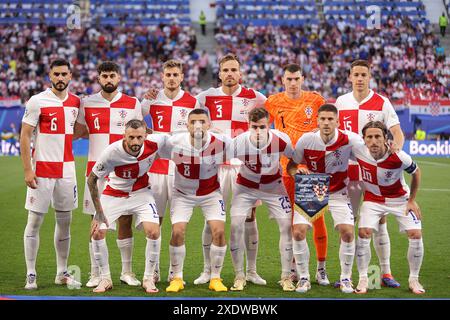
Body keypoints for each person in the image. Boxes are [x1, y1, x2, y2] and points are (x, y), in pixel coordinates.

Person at [194, 53, 267, 286]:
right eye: (225, 70)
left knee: (248, 217)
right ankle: (207, 270)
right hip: (214, 167)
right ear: (219, 73)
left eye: (234, 70)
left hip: (244, 168)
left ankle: (250, 271)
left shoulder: (256, 98)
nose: (229, 74)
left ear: (240, 73)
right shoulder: (205, 98)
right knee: (210, 218)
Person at [335, 59, 404, 288]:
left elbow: (396, 131)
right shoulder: (341, 101)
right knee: (348, 222)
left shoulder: (381, 102)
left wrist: (396, 150)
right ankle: (347, 276)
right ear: (350, 76)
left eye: (364, 74)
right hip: (348, 172)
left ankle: (385, 272)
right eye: (356, 74)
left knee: (379, 220)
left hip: (374, 172)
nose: (360, 78)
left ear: (369, 76)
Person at [74, 61, 143, 288]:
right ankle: (96, 272)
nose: (108, 80)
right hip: (95, 171)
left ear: (119, 77)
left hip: (123, 172)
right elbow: (80, 131)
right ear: (98, 78)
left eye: (112, 75)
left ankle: (127, 271)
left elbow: (139, 135)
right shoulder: (87, 103)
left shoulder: (133, 103)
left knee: (125, 220)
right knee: (95, 222)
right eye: (104, 76)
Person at [287, 104, 364, 293]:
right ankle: (304, 277)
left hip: (338, 192)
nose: (326, 122)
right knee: (298, 231)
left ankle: (346, 278)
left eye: (330, 119)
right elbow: (291, 167)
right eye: (323, 119)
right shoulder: (307, 140)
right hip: (311, 189)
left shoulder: (350, 140)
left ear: (338, 122)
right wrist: (298, 172)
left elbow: (368, 159)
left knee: (347, 231)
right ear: (317, 121)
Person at [265, 63, 330, 286]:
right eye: (289, 79)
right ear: (282, 80)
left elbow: (326, 126)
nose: (293, 83)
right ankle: (293, 269)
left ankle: (321, 268)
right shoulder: (272, 101)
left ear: (302, 79)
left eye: (296, 79)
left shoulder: (316, 100)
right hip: (285, 171)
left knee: (317, 220)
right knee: (294, 222)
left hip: (311, 170)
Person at [20, 58, 81, 290]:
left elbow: (78, 129)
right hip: (42, 169)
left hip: (67, 170)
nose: (60, 78)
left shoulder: (76, 102)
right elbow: (25, 135)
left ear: (70, 76)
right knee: (35, 221)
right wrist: (28, 169)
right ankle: (31, 273)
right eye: (56, 74)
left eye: (64, 74)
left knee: (65, 222)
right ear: (49, 75)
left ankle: (61, 272)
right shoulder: (37, 101)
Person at [89, 119, 167, 293]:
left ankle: (148, 278)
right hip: (114, 193)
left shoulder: (155, 142)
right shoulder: (111, 152)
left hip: (141, 193)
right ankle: (105, 278)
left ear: (146, 135)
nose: (135, 142)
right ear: (124, 135)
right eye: (131, 137)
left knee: (154, 231)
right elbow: (92, 179)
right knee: (96, 232)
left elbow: (175, 139)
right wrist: (99, 212)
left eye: (139, 137)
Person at [141, 59, 200, 283]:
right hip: (156, 169)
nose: (172, 78)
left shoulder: (193, 102)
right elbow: (136, 125)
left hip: (181, 170)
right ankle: (153, 271)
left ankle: (175, 273)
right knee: (155, 223)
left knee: (179, 225)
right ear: (162, 77)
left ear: (182, 77)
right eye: (168, 74)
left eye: (176, 74)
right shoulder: (151, 101)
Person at [352, 121, 424, 295]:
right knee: (363, 233)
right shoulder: (358, 149)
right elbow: (338, 136)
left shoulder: (399, 156)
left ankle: (414, 279)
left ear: (386, 139)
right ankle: (363, 278)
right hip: (373, 199)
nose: (374, 141)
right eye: (369, 137)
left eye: (378, 137)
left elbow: (416, 173)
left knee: (415, 234)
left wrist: (412, 200)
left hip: (400, 199)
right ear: (364, 139)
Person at [228, 108, 295, 292]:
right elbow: (219, 158)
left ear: (269, 125)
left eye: (262, 127)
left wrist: (294, 171)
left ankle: (286, 276)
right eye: (254, 127)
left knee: (286, 225)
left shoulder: (281, 139)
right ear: (248, 125)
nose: (258, 131)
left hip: (274, 186)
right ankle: (240, 275)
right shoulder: (237, 143)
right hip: (245, 187)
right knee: (235, 225)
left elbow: (294, 159)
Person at [164, 109, 228, 293]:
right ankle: (177, 278)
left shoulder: (221, 142)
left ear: (209, 124)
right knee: (177, 232)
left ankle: (215, 278)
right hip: (182, 194)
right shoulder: (174, 142)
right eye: (193, 122)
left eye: (201, 121)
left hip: (211, 193)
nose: (197, 125)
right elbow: (152, 143)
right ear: (187, 125)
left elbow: (245, 147)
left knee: (219, 231)